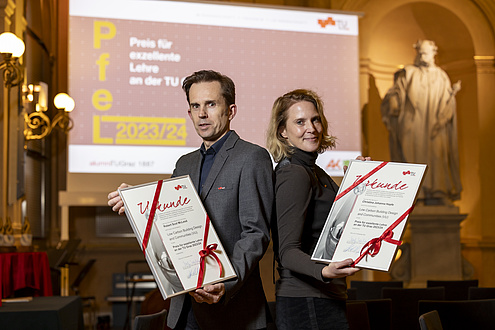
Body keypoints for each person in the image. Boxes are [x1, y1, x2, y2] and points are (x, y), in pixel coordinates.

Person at [108, 70, 274, 329]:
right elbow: (169, 219)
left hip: (233, 310)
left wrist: (224, 282)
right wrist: (135, 200)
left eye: (211, 104)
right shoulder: (184, 163)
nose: (202, 113)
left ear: (231, 110)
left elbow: (255, 234)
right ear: (189, 113)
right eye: (195, 106)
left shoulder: (252, 157)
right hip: (184, 311)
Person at [266, 89, 362, 330]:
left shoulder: (314, 170)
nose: (311, 127)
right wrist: (325, 271)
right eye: (299, 122)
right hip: (306, 301)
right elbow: (287, 252)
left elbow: (335, 223)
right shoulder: (294, 173)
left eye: (315, 119)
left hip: (322, 298)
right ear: (283, 131)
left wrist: (358, 181)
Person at [381, 40, 462, 205]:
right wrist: (393, 101)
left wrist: (444, 116)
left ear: (433, 54)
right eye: (421, 53)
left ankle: (438, 192)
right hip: (412, 124)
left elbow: (448, 102)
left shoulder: (441, 76)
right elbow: (395, 92)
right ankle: (417, 194)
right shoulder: (408, 73)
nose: (423, 56)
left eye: (427, 53)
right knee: (411, 157)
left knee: (437, 156)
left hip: (435, 126)